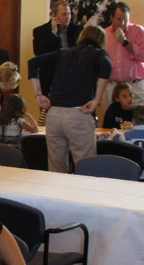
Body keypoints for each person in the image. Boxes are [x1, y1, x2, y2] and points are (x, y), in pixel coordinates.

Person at [28, 25, 111, 173]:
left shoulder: (64, 53)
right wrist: (97, 99)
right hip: (78, 113)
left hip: (54, 114)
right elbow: (107, 66)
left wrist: (38, 94)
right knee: (86, 168)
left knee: (56, 168)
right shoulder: (98, 53)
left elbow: (32, 63)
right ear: (101, 40)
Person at [104, 2, 144, 107]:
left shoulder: (139, 31)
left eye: (126, 19)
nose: (123, 23)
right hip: (114, 87)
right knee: (114, 120)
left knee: (139, 120)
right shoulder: (105, 34)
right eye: (119, 19)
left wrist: (125, 43)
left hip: (135, 86)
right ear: (112, 17)